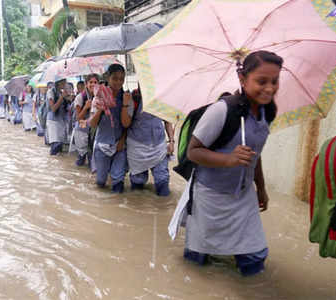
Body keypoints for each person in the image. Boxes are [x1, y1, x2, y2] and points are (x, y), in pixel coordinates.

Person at [179, 50, 283, 276]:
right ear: (243, 80)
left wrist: (261, 188)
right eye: (261, 81)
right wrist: (228, 159)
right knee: (196, 260)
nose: (269, 88)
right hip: (210, 196)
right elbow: (193, 152)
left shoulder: (266, 114)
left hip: (242, 196)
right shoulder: (221, 110)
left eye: (274, 81)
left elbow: (255, 156)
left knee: (254, 259)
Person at [121, 86, 174, 196]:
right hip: (137, 147)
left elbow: (168, 121)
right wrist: (125, 104)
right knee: (138, 184)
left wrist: (172, 141)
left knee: (162, 180)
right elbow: (126, 123)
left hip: (158, 145)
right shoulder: (133, 98)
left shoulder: (161, 98)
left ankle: (163, 208)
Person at [89, 64, 131, 193]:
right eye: (115, 78)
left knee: (118, 180)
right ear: (108, 78)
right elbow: (93, 124)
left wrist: (124, 104)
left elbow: (126, 124)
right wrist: (100, 110)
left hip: (120, 145)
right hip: (102, 144)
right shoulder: (98, 97)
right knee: (101, 182)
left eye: (121, 79)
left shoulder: (127, 98)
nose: (118, 82)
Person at [73, 73, 99, 167]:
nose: (93, 84)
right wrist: (85, 107)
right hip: (82, 131)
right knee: (81, 159)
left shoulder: (99, 97)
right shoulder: (80, 97)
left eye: (95, 82)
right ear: (86, 84)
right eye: (90, 82)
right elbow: (78, 118)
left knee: (92, 159)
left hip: (94, 131)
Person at [46, 77, 68, 155]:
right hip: (53, 122)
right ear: (59, 83)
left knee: (60, 147)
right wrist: (62, 97)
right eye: (64, 82)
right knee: (55, 145)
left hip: (61, 121)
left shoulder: (60, 92)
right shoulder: (50, 92)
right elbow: (53, 108)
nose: (66, 84)